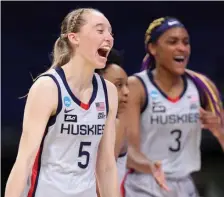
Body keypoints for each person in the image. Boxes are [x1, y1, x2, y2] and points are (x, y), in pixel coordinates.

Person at [5, 8, 120, 197]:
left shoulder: (108, 92)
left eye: (110, 32)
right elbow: (24, 161)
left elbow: (106, 165)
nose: (109, 38)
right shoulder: (47, 87)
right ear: (74, 38)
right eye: (100, 31)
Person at [122, 17, 224, 197]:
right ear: (153, 48)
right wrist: (150, 166)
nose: (182, 48)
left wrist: (217, 130)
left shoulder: (202, 86)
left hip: (185, 184)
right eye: (172, 42)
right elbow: (128, 151)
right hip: (145, 183)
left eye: (186, 42)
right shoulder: (137, 86)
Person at [95, 48, 129, 193]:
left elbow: (104, 179)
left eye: (127, 85)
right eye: (119, 85)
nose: (127, 92)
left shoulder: (117, 124)